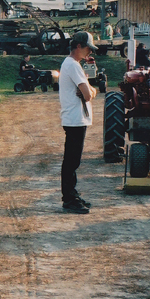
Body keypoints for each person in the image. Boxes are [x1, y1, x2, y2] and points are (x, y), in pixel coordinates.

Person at [59, 31, 98, 214]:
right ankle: (69, 199)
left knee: (73, 160)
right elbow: (89, 94)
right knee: (71, 161)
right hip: (75, 119)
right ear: (78, 47)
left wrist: (88, 89)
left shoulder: (73, 65)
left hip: (76, 118)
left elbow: (90, 91)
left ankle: (72, 194)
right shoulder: (73, 65)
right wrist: (88, 90)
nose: (90, 52)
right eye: (88, 48)